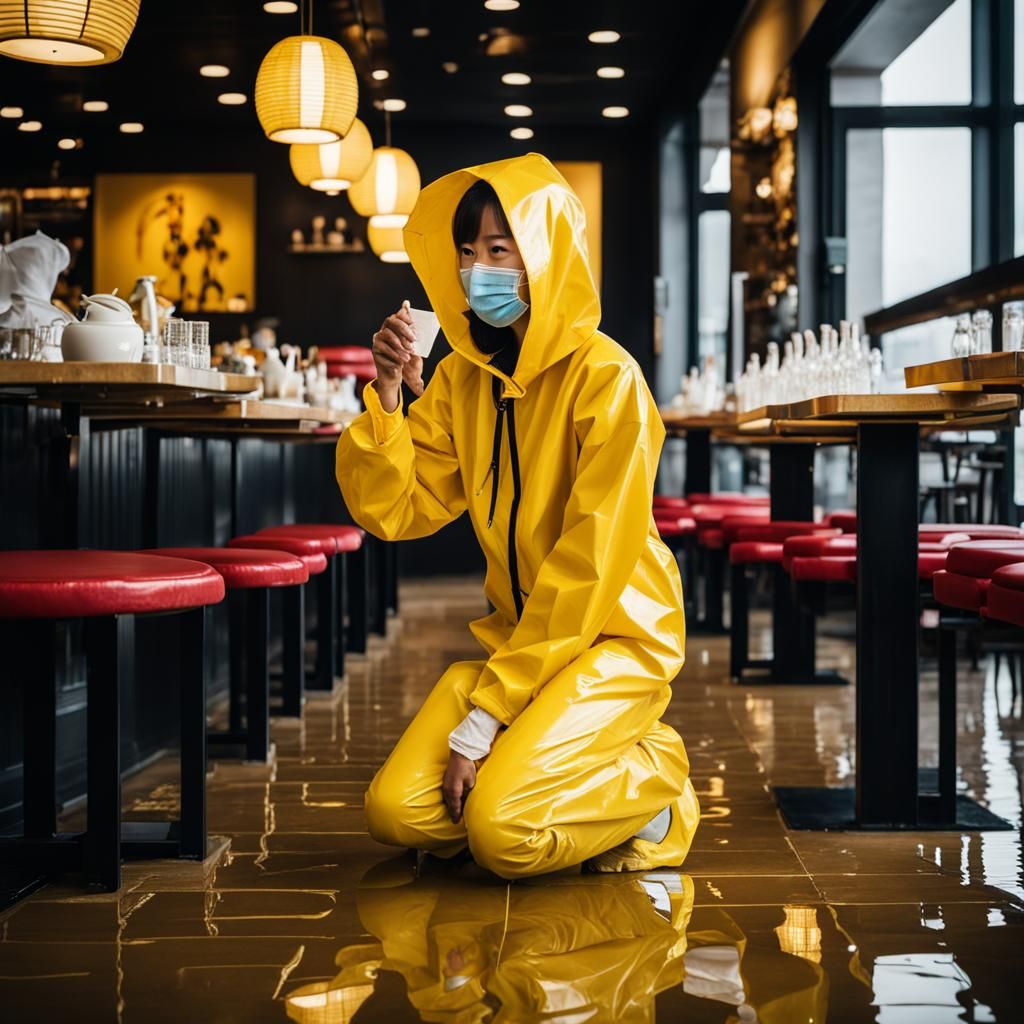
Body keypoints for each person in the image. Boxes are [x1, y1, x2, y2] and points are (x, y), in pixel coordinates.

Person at [335, 152, 698, 879]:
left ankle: (659, 791)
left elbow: (587, 570)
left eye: (499, 250)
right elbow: (394, 511)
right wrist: (386, 401)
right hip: (521, 646)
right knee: (397, 814)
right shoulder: (466, 380)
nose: (477, 270)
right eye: (467, 252)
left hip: (612, 642)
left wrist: (486, 717)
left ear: (546, 256)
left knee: (502, 834)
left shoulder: (610, 382)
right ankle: (552, 771)